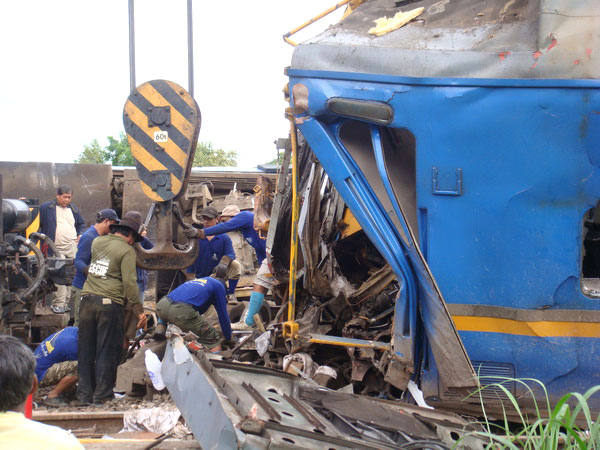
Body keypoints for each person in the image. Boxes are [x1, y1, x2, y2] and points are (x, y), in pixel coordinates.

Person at [76, 213, 147, 405]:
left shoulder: (97, 242)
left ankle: (83, 395)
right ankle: (102, 396)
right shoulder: (126, 251)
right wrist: (139, 311)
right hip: (109, 303)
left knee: (86, 350)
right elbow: (130, 284)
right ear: (131, 236)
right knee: (107, 350)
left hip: (87, 300)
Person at [184, 205, 268, 331]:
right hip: (202, 276)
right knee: (262, 284)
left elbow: (226, 229)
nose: (225, 224)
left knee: (258, 284)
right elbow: (260, 249)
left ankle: (245, 319)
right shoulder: (245, 231)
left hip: (274, 256)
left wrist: (200, 232)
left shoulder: (244, 216)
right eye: (204, 219)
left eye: (225, 220)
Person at [0, 335, 83, 449]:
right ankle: (53, 395)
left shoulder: (68, 333)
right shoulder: (64, 443)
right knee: (82, 365)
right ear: (33, 386)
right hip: (42, 372)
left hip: (42, 368)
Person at [39, 185, 85, 314]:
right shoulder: (46, 208)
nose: (67, 200)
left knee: (70, 276)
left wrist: (79, 234)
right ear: (57, 196)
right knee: (60, 276)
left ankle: (65, 303)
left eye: (69, 197)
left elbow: (81, 223)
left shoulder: (73, 208)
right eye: (64, 197)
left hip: (71, 247)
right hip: (55, 248)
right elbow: (38, 223)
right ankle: (58, 304)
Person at [156, 277, 232, 350]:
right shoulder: (219, 286)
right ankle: (216, 360)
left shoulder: (201, 281)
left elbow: (197, 309)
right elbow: (223, 315)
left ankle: (161, 326)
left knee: (174, 312)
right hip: (180, 311)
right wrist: (228, 337)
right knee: (211, 338)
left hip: (162, 306)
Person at [72, 209, 119, 326]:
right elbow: (78, 261)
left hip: (93, 288)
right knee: (81, 323)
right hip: (82, 287)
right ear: (107, 222)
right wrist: (90, 271)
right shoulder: (89, 237)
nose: (114, 228)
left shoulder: (100, 237)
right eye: (114, 224)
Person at [186, 206, 241, 300]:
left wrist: (223, 264)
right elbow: (190, 258)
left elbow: (231, 254)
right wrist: (189, 278)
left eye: (209, 219)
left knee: (236, 265)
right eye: (204, 219)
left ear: (217, 219)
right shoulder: (196, 239)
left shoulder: (224, 238)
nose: (206, 222)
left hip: (217, 276)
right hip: (200, 278)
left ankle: (231, 294)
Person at [34, 327, 78, 407]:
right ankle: (52, 396)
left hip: (35, 368)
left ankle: (68, 392)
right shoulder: (73, 344)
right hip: (40, 376)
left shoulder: (70, 330)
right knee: (80, 367)